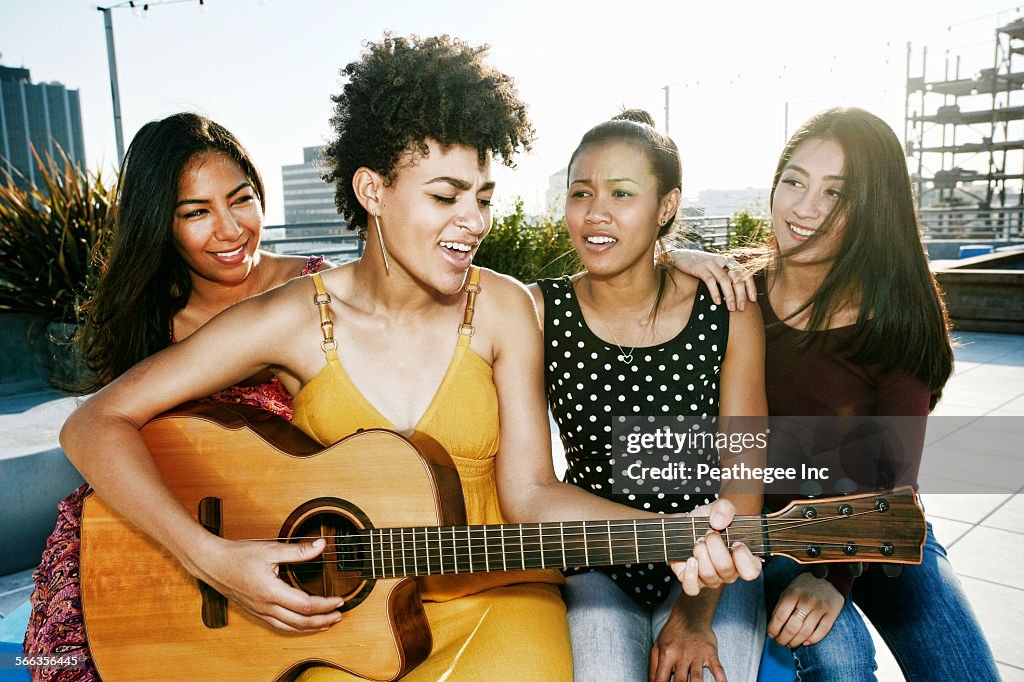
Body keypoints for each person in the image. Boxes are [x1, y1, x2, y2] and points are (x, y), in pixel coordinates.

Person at [58, 35, 760, 681]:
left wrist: (667, 536)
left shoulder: (505, 307)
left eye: (483, 197)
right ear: (373, 191)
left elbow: (530, 494)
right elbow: (93, 424)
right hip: (342, 624)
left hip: (501, 599)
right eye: (446, 196)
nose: (476, 222)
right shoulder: (294, 317)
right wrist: (210, 559)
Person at [673, 107, 998, 680]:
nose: (804, 208)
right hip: (768, 525)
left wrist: (835, 579)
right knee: (838, 656)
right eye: (794, 181)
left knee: (964, 673)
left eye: (836, 194)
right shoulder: (733, 291)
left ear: (874, 208)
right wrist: (672, 256)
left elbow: (893, 483)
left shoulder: (899, 316)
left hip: (874, 521)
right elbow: (627, 278)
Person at [24, 112, 329, 681]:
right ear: (158, 225)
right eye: (195, 212)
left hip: (275, 561)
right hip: (123, 549)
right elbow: (90, 429)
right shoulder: (149, 316)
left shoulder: (318, 293)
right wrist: (203, 555)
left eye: (241, 199)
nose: (231, 229)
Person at [530, 110, 767, 682]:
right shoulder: (538, 312)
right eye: (580, 193)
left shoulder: (728, 308)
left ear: (666, 206)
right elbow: (533, 487)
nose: (595, 213)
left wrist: (695, 612)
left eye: (622, 193)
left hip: (716, 552)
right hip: (595, 560)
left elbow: (746, 475)